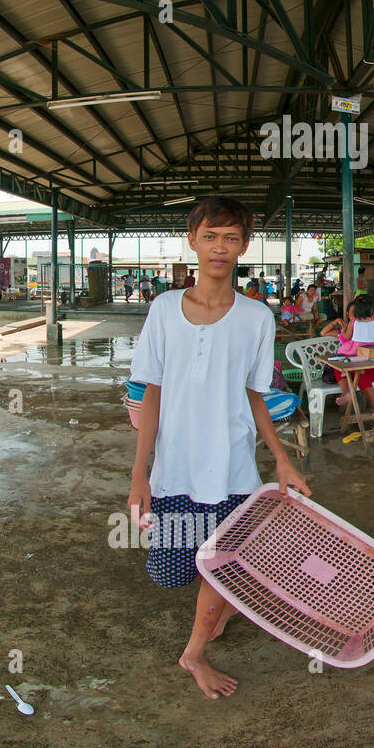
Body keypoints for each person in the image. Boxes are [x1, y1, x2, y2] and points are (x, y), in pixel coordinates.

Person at [126, 196, 310, 699]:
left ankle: (194, 652)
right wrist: (139, 474)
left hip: (232, 467)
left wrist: (281, 459)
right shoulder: (163, 309)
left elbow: (255, 394)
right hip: (175, 469)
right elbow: (150, 392)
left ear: (245, 246)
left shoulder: (256, 317)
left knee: (222, 563)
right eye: (210, 236)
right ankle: (224, 607)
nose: (220, 248)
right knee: (171, 573)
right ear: (193, 240)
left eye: (231, 238)